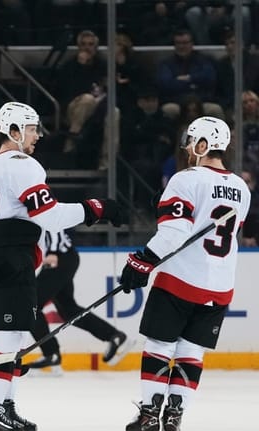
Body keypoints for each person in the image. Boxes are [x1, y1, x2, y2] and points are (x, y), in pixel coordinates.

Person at [0, 102, 125, 431]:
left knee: (8, 339)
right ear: (13, 131)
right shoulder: (23, 165)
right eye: (32, 128)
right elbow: (50, 217)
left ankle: (5, 407)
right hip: (11, 258)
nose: (38, 135)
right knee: (8, 340)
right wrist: (98, 208)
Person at [121, 116, 250, 431]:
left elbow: (175, 231)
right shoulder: (242, 187)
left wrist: (142, 260)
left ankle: (150, 415)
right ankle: (174, 417)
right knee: (192, 351)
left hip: (180, 280)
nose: (189, 148)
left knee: (159, 345)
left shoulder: (186, 178)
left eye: (193, 141)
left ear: (203, 144)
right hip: (219, 286)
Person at [25, 228, 131, 374]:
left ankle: (51, 354)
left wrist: (53, 253)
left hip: (59, 258)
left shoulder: (32, 207)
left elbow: (52, 221)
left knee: (30, 306)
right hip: (65, 258)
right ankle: (114, 336)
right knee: (68, 309)